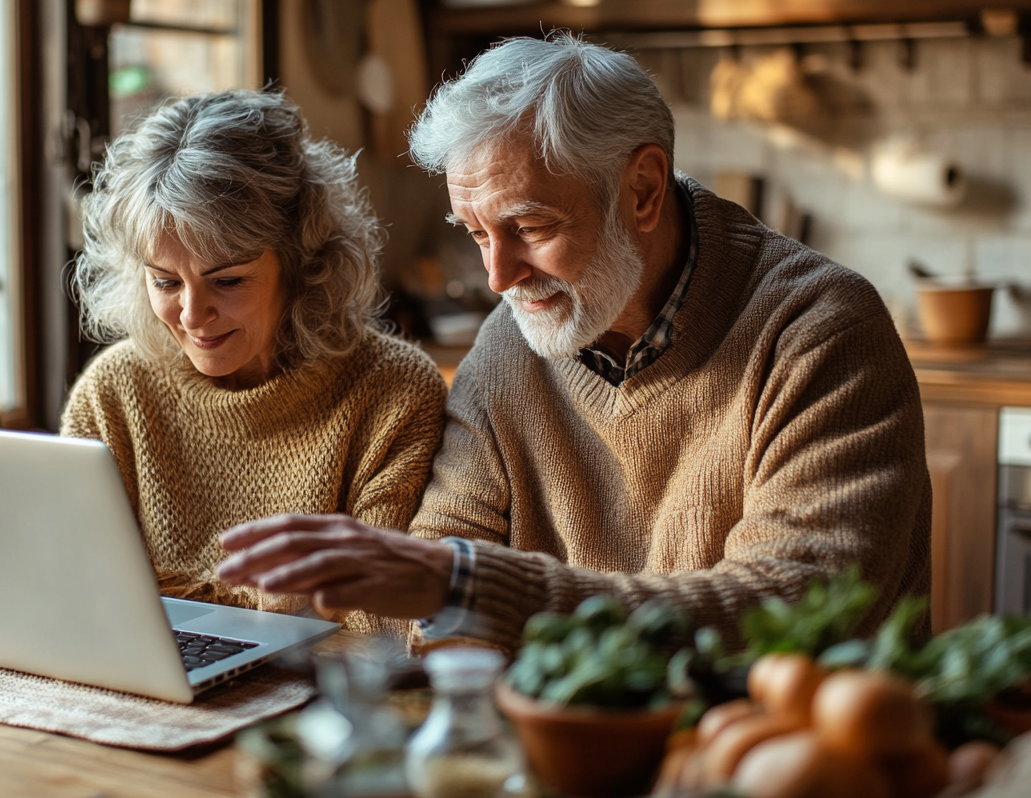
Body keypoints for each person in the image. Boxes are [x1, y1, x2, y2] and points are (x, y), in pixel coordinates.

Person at [215, 34, 932, 649]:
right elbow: (440, 574)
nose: (498, 277)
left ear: (644, 189)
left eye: (530, 229)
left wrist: (469, 587)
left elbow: (796, 612)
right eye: (476, 233)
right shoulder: (507, 349)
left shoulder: (820, 332)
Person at [61, 88, 447, 635]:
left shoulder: (392, 393)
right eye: (165, 281)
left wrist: (167, 592)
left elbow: (383, 620)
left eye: (228, 280)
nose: (193, 315)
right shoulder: (113, 393)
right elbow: (75, 585)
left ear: (302, 263)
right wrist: (281, 603)